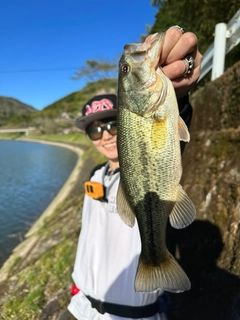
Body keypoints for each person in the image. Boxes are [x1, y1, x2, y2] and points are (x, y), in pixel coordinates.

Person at [68, 26, 202, 320]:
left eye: (114, 125)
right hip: (80, 308)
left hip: (134, 315)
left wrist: (179, 96)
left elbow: (173, 134)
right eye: (94, 130)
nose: (105, 135)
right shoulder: (95, 175)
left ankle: (155, 261)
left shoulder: (154, 113)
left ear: (126, 120)